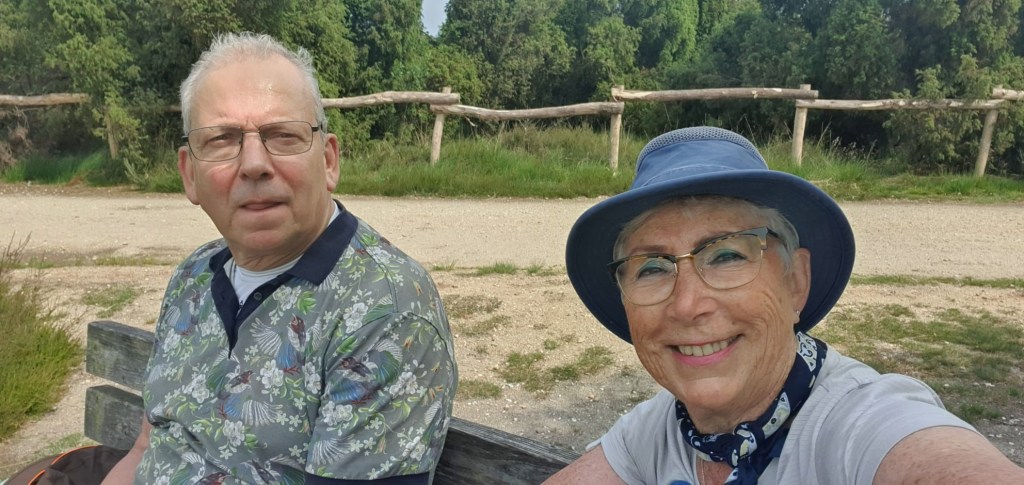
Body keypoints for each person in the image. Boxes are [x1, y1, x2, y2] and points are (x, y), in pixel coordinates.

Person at [545, 126, 1024, 484]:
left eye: (727, 256)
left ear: (796, 282)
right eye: (651, 267)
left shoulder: (861, 424)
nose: (688, 305)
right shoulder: (660, 429)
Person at [96, 32, 458, 484]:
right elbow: (147, 448)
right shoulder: (194, 275)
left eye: (283, 135)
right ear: (190, 175)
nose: (254, 164)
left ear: (328, 161)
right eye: (222, 139)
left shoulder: (384, 310)